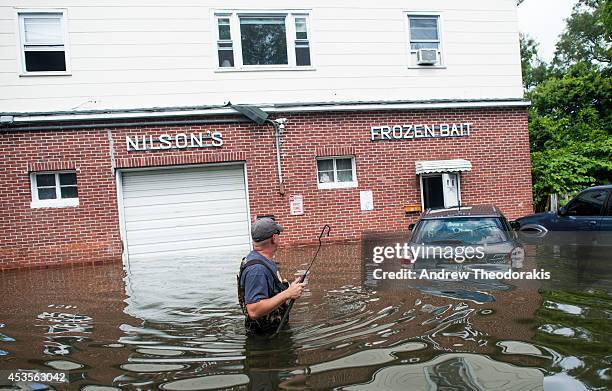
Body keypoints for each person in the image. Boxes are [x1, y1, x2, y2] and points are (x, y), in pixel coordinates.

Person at [237, 217, 305, 334]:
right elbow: (253, 310)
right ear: (274, 238)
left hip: (272, 332)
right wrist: (287, 294)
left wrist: (288, 290)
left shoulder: (261, 260)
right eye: (278, 233)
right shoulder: (257, 270)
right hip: (265, 339)